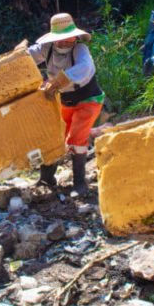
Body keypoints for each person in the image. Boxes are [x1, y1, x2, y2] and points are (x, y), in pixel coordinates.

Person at [27, 13, 104, 194]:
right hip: (65, 101)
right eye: (60, 39)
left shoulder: (80, 49)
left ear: (74, 37)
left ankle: (79, 183)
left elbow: (85, 68)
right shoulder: (46, 48)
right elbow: (27, 57)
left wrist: (59, 82)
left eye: (68, 38)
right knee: (55, 136)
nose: (64, 42)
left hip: (89, 99)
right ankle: (46, 179)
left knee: (76, 138)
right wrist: (16, 57)